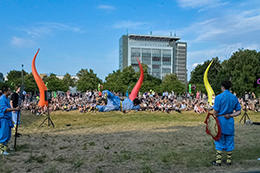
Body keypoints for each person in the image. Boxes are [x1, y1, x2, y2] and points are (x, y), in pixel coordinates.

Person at [212, 81, 241, 166]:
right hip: (229, 122)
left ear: (222, 87)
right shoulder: (234, 97)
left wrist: (215, 115)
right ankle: (228, 161)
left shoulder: (218, 97)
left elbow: (215, 112)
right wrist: (231, 114)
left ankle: (218, 161)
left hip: (220, 122)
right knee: (229, 141)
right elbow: (239, 111)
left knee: (219, 141)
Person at [0, 86, 19, 155]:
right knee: (3, 135)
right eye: (9, 90)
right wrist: (15, 109)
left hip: (7, 119)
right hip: (3, 119)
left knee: (8, 135)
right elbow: (5, 109)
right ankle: (2, 151)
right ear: (6, 91)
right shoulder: (2, 99)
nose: (10, 92)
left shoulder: (6, 98)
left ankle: (5, 148)